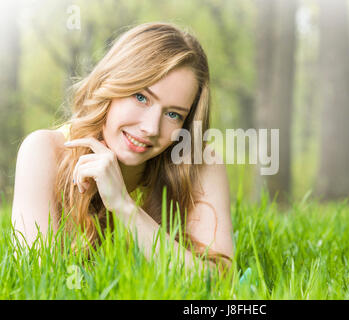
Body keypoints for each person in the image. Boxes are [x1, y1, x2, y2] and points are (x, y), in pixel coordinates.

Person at [11, 22, 234, 275]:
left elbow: (218, 282)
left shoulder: (199, 162)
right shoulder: (44, 152)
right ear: (110, 85)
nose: (151, 128)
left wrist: (124, 206)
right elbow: (36, 278)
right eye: (141, 97)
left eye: (173, 114)